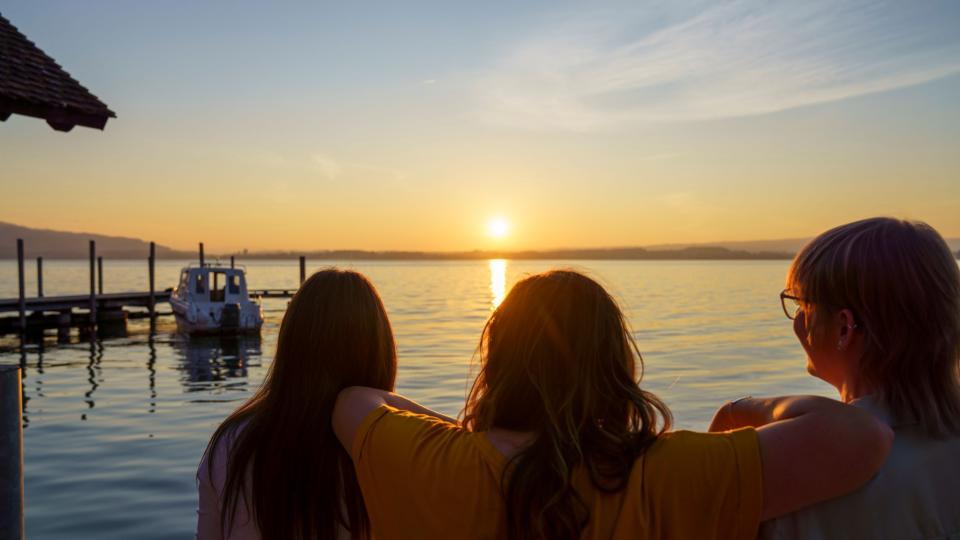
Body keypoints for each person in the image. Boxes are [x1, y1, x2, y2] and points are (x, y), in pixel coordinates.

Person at [333, 270, 894, 540]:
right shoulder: (667, 471)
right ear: (614, 367)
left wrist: (459, 434)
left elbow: (355, 399)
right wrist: (741, 406)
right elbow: (862, 437)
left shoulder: (422, 458)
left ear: (496, 361)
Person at [746, 218, 960, 540]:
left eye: (803, 305)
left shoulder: (797, 476)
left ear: (845, 328)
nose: (797, 323)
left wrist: (745, 412)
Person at [196, 269, 450, 540]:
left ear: (290, 344)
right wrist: (395, 408)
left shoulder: (231, 444)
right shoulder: (390, 450)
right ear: (379, 350)